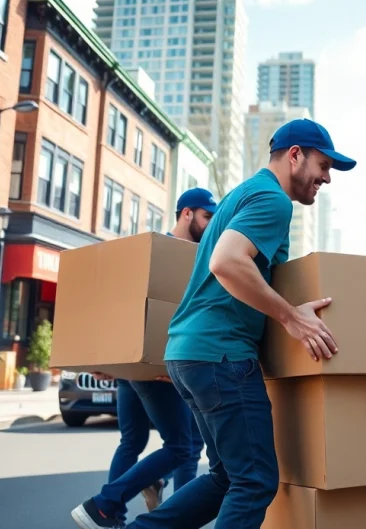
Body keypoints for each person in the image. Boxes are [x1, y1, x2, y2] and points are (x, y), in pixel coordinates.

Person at [124, 119, 355, 529]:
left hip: (190, 354)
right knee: (254, 482)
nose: (326, 178)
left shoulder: (243, 194)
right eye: (323, 165)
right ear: (295, 155)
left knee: (226, 478)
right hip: (221, 356)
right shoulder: (272, 199)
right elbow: (227, 261)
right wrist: (291, 318)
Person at [72, 188, 217, 529]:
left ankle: (111, 517)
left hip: (142, 366)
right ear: (187, 214)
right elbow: (129, 303)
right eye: (207, 217)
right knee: (186, 446)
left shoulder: (187, 252)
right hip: (156, 367)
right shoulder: (167, 253)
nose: (211, 225)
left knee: (134, 440)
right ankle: (112, 506)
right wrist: (114, 359)